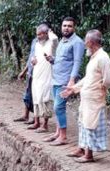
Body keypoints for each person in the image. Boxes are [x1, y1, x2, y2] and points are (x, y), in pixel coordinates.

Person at [61, 30, 110, 163]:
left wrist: (101, 88)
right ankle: (82, 148)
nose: (84, 44)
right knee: (82, 122)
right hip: (87, 98)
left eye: (86, 41)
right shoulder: (94, 57)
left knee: (90, 124)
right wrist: (73, 89)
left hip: (95, 98)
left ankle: (89, 155)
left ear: (91, 43)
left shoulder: (103, 57)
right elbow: (88, 78)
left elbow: (108, 80)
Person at [44, 17, 85, 146]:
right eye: (64, 25)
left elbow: (77, 62)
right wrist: (52, 59)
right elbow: (62, 59)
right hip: (56, 78)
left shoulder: (77, 42)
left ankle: (63, 136)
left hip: (65, 80)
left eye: (69, 26)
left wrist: (72, 81)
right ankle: (57, 133)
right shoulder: (62, 40)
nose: (66, 28)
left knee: (59, 106)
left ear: (74, 28)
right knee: (56, 107)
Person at [28, 24, 58, 132]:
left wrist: (50, 32)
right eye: (37, 34)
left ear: (46, 33)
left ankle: (45, 125)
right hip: (37, 73)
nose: (38, 36)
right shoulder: (37, 44)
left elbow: (55, 39)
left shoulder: (52, 43)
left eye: (40, 34)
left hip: (47, 75)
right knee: (36, 98)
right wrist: (33, 60)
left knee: (45, 98)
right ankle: (37, 122)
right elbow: (34, 57)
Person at [14, 36, 37, 123]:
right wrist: (24, 71)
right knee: (27, 95)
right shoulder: (34, 41)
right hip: (30, 72)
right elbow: (30, 58)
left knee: (35, 96)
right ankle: (25, 115)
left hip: (38, 74)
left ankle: (36, 119)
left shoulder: (47, 43)